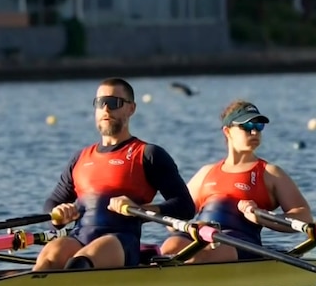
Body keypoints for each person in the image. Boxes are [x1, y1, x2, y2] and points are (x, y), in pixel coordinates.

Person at [33, 78, 196, 271]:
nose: (106, 109)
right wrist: (57, 216)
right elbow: (51, 204)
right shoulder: (80, 158)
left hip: (120, 241)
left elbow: (185, 206)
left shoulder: (148, 154)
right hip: (78, 236)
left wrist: (140, 209)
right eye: (100, 103)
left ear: (131, 109)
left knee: (80, 263)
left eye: (114, 103)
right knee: (49, 256)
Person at [159, 99, 312, 262]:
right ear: (227, 131)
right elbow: (174, 218)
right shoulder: (206, 172)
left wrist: (261, 217)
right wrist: (194, 224)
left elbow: (304, 217)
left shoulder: (270, 173)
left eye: (259, 126)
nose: (254, 132)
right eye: (246, 126)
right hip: (202, 234)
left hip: (240, 242)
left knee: (218, 250)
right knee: (170, 245)